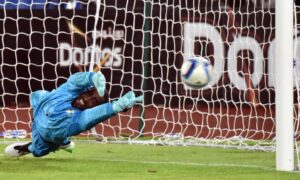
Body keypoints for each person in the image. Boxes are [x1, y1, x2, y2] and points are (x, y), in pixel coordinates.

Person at [5, 71, 143, 157]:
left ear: (94, 107)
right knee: (39, 95)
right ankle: (63, 142)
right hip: (40, 108)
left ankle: (49, 145)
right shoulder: (70, 91)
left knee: (37, 151)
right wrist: (92, 77)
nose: (88, 98)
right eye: (90, 94)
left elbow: (94, 116)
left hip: (44, 137)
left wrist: (116, 107)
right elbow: (75, 80)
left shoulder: (79, 120)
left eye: (94, 101)